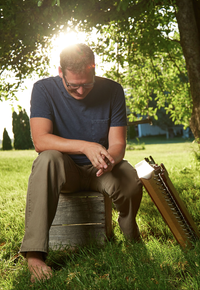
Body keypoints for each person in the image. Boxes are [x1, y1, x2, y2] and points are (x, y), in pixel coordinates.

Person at [19, 43, 143, 282]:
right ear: (60, 72)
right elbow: (41, 140)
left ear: (94, 70)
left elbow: (117, 144)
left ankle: (130, 233)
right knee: (47, 159)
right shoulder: (43, 89)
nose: (80, 91)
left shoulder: (113, 90)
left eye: (87, 84)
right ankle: (34, 255)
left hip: (101, 169)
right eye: (72, 86)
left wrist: (110, 159)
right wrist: (85, 146)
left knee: (128, 176)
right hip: (66, 169)